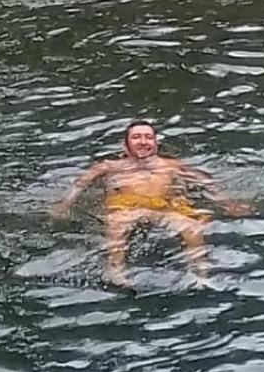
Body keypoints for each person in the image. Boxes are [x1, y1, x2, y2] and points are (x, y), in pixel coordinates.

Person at [51, 120, 251, 286]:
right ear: (126, 145)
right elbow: (80, 183)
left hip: (164, 208)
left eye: (148, 137)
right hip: (128, 208)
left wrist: (228, 203)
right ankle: (117, 272)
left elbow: (206, 182)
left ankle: (201, 273)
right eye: (136, 137)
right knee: (117, 224)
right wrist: (65, 204)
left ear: (155, 143)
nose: (143, 141)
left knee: (191, 227)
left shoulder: (171, 166)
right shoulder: (111, 167)